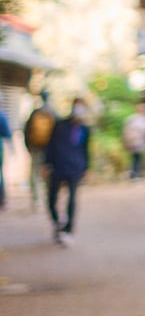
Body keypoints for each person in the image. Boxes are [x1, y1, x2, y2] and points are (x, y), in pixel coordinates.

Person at [43, 97, 91, 245]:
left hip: (75, 167)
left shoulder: (85, 129)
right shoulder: (60, 125)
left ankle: (68, 229)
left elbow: (86, 149)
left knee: (72, 199)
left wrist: (87, 168)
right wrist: (46, 164)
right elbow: (50, 144)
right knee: (51, 199)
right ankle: (58, 223)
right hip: (57, 166)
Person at [23, 92, 56, 210]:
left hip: (35, 148)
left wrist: (28, 147)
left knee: (35, 173)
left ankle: (36, 201)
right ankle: (49, 199)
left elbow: (26, 130)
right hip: (50, 149)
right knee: (49, 174)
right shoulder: (54, 112)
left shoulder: (35, 112)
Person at [121, 102, 145, 179]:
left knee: (136, 157)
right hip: (136, 141)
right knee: (137, 157)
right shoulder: (140, 119)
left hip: (135, 141)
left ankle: (134, 173)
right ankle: (135, 173)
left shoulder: (132, 118)